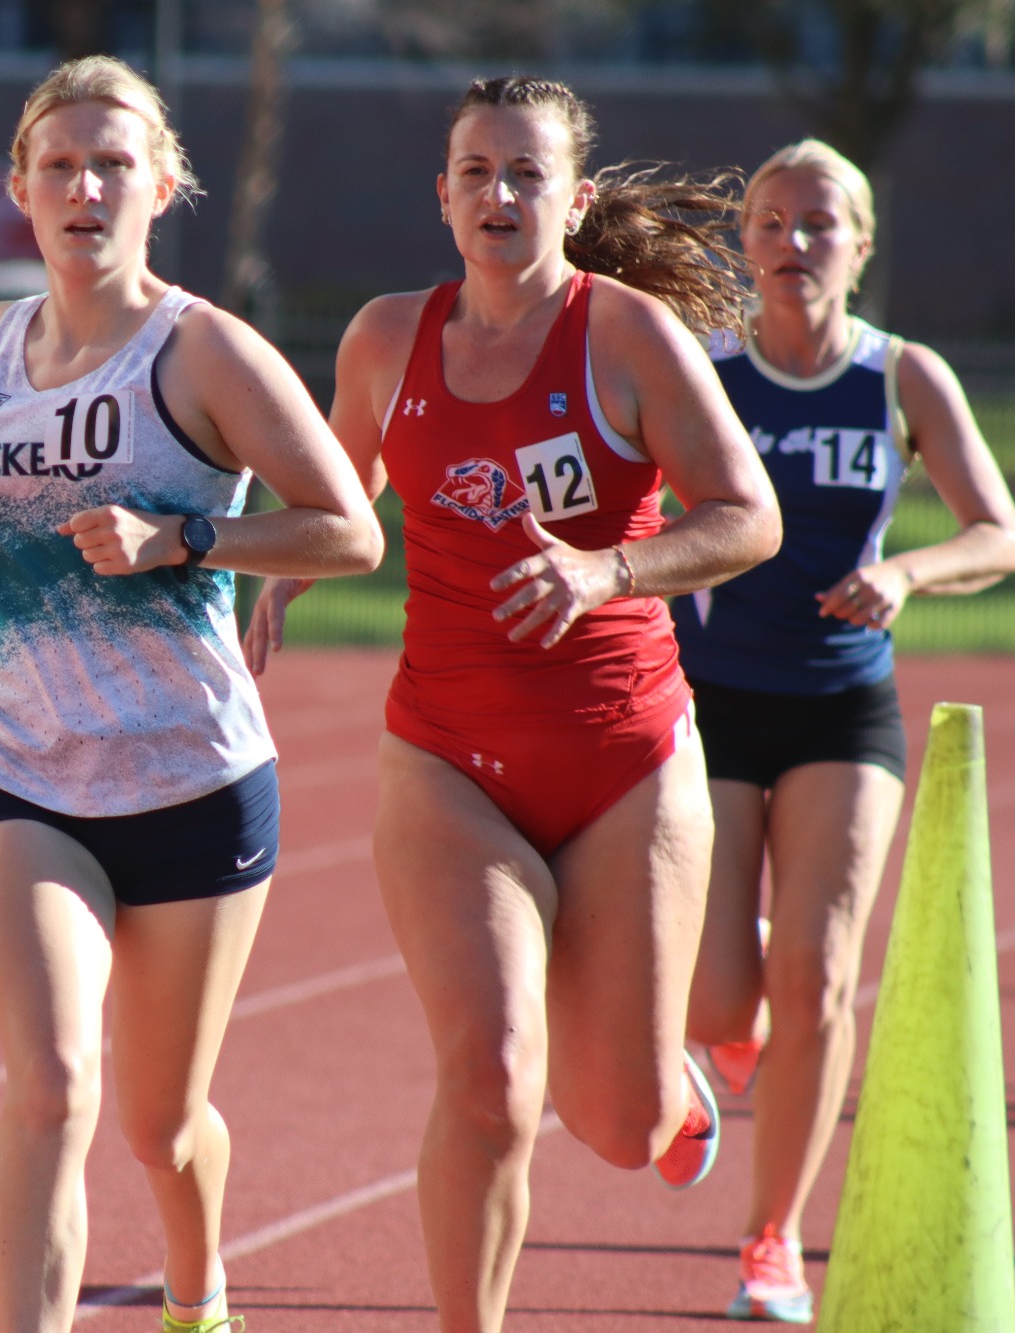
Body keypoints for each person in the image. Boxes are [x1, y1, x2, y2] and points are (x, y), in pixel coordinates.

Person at [246, 76, 782, 1333]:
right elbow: (340, 499)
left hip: (621, 760)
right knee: (487, 1081)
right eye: (475, 173)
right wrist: (272, 576)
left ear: (571, 197)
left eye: (524, 174)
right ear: (441, 196)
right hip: (445, 761)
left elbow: (746, 516)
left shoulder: (627, 337)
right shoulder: (385, 337)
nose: (498, 194)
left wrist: (605, 568)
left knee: (613, 1123)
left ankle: (670, 1090)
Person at [0, 56, 383, 1333]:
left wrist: (186, 541)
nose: (83, 187)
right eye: (58, 165)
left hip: (189, 779)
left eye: (111, 165)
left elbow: (347, 531)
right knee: (50, 1084)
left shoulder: (203, 351)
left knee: (160, 1126)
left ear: (161, 186)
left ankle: (198, 1285)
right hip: (16, 761)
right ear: (19, 190)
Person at [677, 140, 1015, 1323]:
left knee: (818, 976)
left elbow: (997, 529)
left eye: (817, 224)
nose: (790, 243)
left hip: (839, 699)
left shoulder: (899, 378)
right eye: (767, 222)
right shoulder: (704, 371)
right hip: (710, 697)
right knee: (721, 1004)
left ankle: (769, 1241)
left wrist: (907, 574)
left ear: (858, 246)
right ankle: (733, 1005)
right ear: (745, 243)